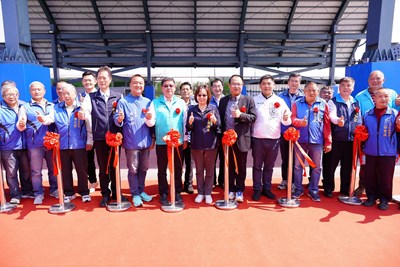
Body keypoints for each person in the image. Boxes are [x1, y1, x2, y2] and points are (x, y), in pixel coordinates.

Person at [83, 66, 126, 207]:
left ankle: (116, 192)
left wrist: (121, 119)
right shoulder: (90, 97)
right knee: (103, 168)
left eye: (104, 78)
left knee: (115, 166)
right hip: (100, 138)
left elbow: (121, 118)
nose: (102, 80)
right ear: (97, 80)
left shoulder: (119, 96)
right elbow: (86, 113)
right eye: (99, 78)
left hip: (115, 138)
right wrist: (82, 114)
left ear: (110, 79)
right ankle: (105, 194)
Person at [354, 70, 400, 196]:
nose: (375, 81)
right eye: (372, 78)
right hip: (368, 133)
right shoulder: (359, 96)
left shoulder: (392, 93)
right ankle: (363, 186)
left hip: (386, 136)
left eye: (378, 78)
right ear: (368, 81)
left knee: (384, 169)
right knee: (366, 166)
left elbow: (396, 115)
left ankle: (383, 195)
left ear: (383, 80)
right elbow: (357, 115)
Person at [114, 74, 154, 207]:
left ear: (144, 86)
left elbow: (152, 121)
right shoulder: (123, 102)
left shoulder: (148, 102)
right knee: (133, 170)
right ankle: (135, 194)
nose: (138, 85)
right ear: (130, 85)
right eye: (135, 83)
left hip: (145, 141)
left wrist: (152, 138)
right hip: (131, 143)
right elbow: (117, 120)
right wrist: (119, 119)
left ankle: (141, 191)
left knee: (144, 168)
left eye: (140, 83)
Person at [147, 77, 187, 206]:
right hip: (161, 142)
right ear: (162, 88)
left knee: (177, 168)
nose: (168, 88)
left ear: (175, 88)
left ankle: (176, 192)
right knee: (162, 169)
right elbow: (151, 122)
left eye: (171, 85)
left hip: (177, 143)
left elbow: (185, 123)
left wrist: (185, 138)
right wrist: (148, 119)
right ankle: (163, 193)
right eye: (165, 86)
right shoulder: (155, 103)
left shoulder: (181, 103)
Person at [17, 81, 58, 205]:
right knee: (36, 171)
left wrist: (43, 119)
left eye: (39, 89)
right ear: (30, 92)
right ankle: (38, 193)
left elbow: (52, 119)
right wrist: (21, 124)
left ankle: (54, 189)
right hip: (34, 145)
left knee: (53, 169)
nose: (37, 91)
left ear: (44, 91)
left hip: (51, 144)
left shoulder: (52, 106)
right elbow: (20, 125)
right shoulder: (24, 107)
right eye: (34, 90)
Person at [251, 75, 291, 201]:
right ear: (260, 86)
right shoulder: (254, 100)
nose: (266, 86)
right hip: (257, 139)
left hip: (274, 139)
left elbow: (287, 121)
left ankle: (267, 189)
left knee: (269, 166)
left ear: (273, 85)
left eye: (269, 83)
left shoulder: (280, 101)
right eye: (264, 84)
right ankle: (257, 189)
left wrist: (286, 119)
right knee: (257, 166)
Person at [291, 82, 332, 202]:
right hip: (300, 141)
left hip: (317, 141)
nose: (311, 92)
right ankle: (298, 189)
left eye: (314, 90)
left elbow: (327, 124)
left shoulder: (323, 104)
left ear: (318, 92)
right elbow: (292, 119)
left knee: (317, 167)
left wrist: (328, 141)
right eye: (308, 90)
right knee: (298, 166)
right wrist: (299, 122)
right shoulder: (297, 104)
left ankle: (313, 190)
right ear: (304, 91)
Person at [218, 74, 256, 202]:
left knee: (241, 167)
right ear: (229, 86)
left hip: (241, 139)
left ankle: (240, 190)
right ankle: (230, 189)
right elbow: (221, 120)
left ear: (242, 86)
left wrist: (241, 115)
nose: (236, 86)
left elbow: (253, 117)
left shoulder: (248, 100)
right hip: (227, 140)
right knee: (228, 166)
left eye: (239, 84)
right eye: (234, 84)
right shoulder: (223, 101)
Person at [361, 88, 400, 210]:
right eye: (380, 96)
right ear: (374, 99)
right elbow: (363, 131)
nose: (383, 99)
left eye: (386, 97)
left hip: (388, 151)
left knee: (386, 177)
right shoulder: (367, 114)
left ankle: (384, 199)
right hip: (370, 150)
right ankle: (371, 197)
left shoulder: (394, 114)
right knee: (370, 176)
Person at [53, 83, 91, 203]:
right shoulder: (56, 108)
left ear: (75, 94)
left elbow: (89, 125)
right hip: (63, 145)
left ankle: (84, 192)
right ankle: (69, 192)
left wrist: (89, 140)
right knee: (65, 170)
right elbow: (50, 119)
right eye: (63, 94)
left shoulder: (82, 108)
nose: (66, 96)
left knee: (82, 169)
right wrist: (43, 120)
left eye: (68, 93)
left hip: (79, 144)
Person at [324, 77, 361, 198]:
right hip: (335, 140)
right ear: (339, 88)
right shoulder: (332, 102)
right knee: (330, 165)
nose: (346, 88)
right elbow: (332, 116)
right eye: (343, 85)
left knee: (347, 167)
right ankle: (328, 188)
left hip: (351, 141)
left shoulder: (356, 102)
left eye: (348, 85)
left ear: (353, 88)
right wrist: (338, 122)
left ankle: (345, 189)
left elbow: (358, 119)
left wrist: (360, 130)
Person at [186, 84, 220, 204]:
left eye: (204, 95)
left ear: (208, 96)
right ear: (196, 96)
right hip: (196, 144)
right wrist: (190, 123)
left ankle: (208, 192)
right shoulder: (191, 109)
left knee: (210, 170)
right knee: (199, 170)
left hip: (211, 144)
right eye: (199, 95)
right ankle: (200, 192)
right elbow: (188, 129)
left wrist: (215, 122)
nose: (202, 97)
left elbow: (219, 128)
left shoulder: (213, 109)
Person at [0, 83, 33, 204]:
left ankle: (27, 191)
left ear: (18, 95)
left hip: (25, 145)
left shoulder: (25, 105)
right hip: (7, 146)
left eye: (14, 94)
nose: (11, 97)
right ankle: (15, 194)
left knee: (26, 170)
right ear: (3, 96)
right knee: (11, 172)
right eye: (8, 94)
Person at [278, 73, 304, 190]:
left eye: (297, 81)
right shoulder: (280, 97)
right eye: (292, 81)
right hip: (284, 132)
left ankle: (295, 181)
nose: (294, 83)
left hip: (298, 133)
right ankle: (285, 179)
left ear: (299, 83)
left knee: (296, 159)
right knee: (285, 157)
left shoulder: (304, 97)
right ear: (288, 82)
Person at [79, 71, 98, 193]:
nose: (87, 82)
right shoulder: (79, 97)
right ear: (82, 82)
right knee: (88, 160)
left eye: (90, 80)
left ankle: (108, 181)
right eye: (85, 80)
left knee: (104, 160)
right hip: (86, 134)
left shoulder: (100, 95)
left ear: (95, 81)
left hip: (101, 133)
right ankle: (92, 181)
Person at [179, 82, 196, 194]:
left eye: (187, 89)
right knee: (179, 162)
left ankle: (188, 183)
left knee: (190, 162)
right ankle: (177, 183)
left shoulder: (195, 105)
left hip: (192, 138)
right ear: (180, 92)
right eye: (183, 89)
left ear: (191, 91)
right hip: (178, 138)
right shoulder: (177, 104)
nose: (185, 91)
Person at [210, 78, 225, 188]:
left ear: (223, 87)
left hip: (225, 134)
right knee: (212, 159)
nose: (217, 88)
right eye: (214, 86)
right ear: (211, 88)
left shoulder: (227, 100)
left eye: (219, 86)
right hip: (212, 134)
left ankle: (223, 180)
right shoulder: (208, 101)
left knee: (224, 158)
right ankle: (212, 181)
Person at [319, 86, 334, 197]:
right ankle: (312, 180)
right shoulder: (318, 104)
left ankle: (327, 183)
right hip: (318, 137)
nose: (327, 94)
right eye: (324, 92)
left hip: (333, 137)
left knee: (328, 162)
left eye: (329, 93)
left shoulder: (334, 104)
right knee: (315, 161)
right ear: (320, 94)